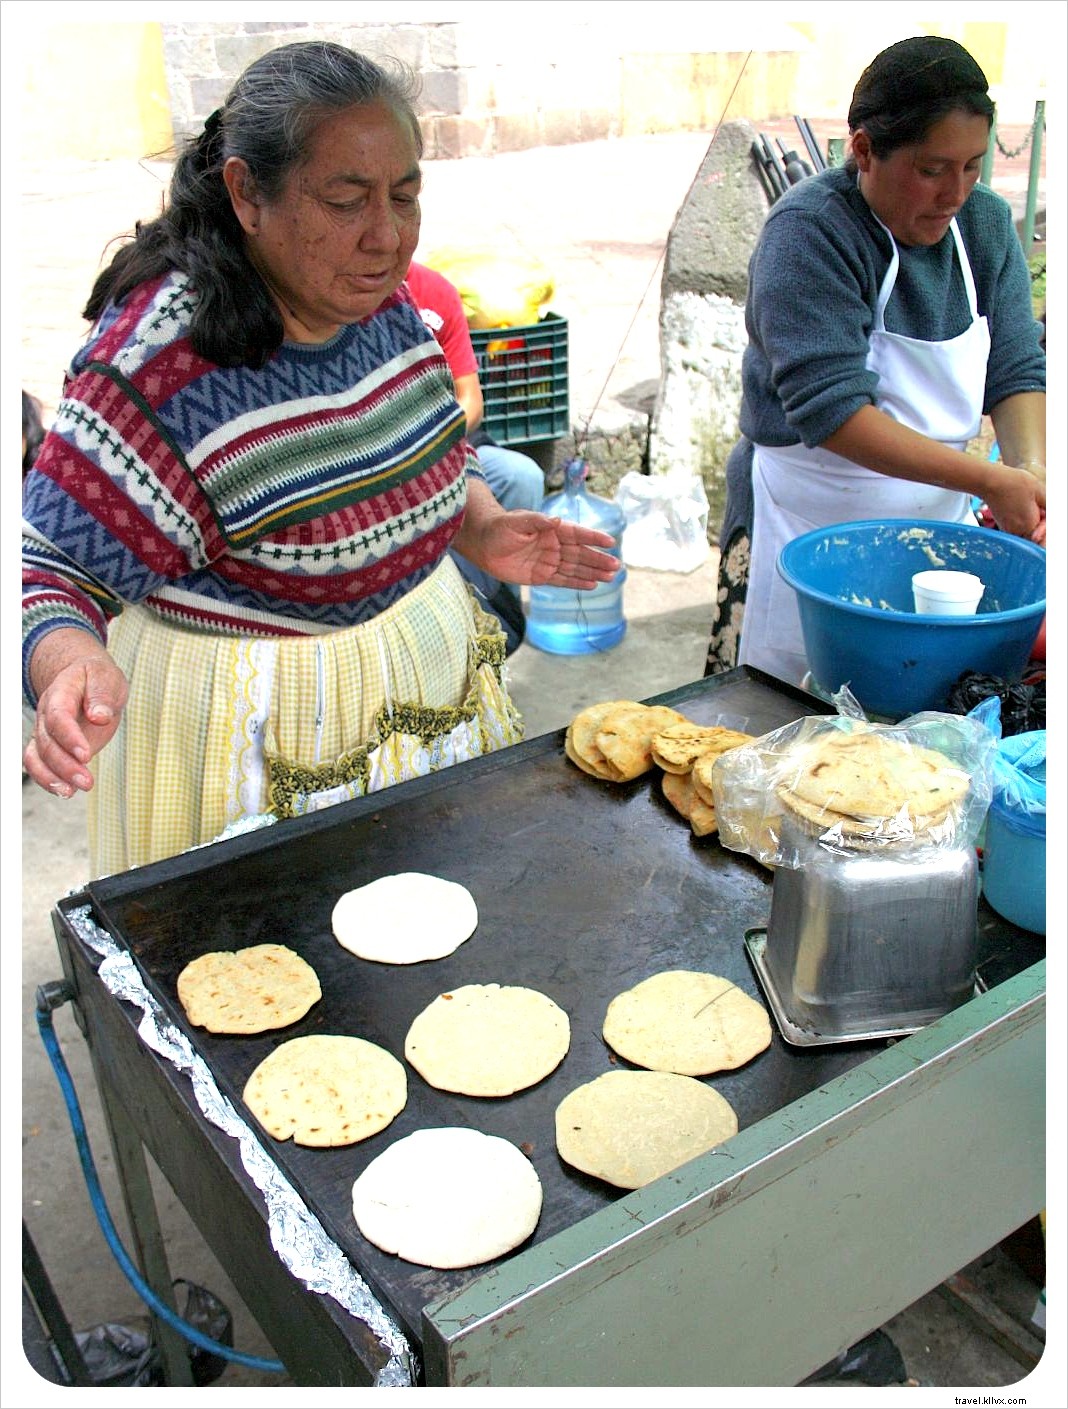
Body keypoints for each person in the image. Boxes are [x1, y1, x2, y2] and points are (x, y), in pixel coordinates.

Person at [21, 41, 618, 879]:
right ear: (245, 193)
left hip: (422, 703)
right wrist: (71, 664)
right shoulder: (157, 366)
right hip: (247, 755)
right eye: (345, 200)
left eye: (405, 196)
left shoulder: (380, 297)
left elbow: (433, 439)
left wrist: (475, 524)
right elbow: (45, 569)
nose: (386, 235)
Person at [706, 36, 1046, 684]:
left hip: (935, 529)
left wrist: (1028, 473)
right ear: (863, 149)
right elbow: (833, 411)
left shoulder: (985, 226)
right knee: (783, 719)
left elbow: (1016, 367)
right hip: (804, 524)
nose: (955, 193)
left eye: (974, 166)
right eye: (931, 169)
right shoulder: (810, 232)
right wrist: (986, 480)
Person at [404, 259, 545, 652]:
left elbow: (470, 400)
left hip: (449, 441)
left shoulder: (433, 293)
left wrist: (429, 446)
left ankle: (493, 617)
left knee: (521, 476)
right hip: (393, 465)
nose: (384, 237)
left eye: (403, 199)